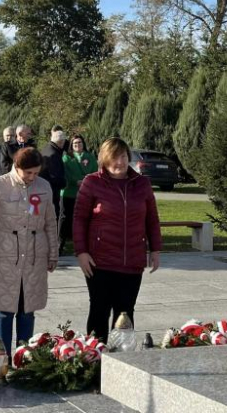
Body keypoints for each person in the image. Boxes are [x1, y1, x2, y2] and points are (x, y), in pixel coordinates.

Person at [73, 137, 162, 343]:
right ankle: (95, 361)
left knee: (125, 313)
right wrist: (81, 252)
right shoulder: (92, 182)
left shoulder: (142, 184)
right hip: (99, 262)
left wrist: (155, 249)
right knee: (99, 311)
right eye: (113, 157)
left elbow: (152, 219)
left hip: (132, 261)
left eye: (122, 157)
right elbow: (79, 219)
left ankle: (122, 363)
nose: (119, 162)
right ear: (104, 159)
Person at [0, 147, 58, 362]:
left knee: (27, 308)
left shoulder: (44, 187)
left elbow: (50, 221)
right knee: (5, 308)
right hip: (4, 255)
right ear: (17, 167)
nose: (32, 177)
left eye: (36, 173)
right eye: (28, 173)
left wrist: (53, 252)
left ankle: (24, 359)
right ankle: (1, 358)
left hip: (34, 255)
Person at [59, 134, 98, 255]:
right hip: (68, 193)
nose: (77, 145)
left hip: (84, 194)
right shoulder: (66, 158)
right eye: (75, 143)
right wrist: (74, 181)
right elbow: (65, 173)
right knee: (65, 220)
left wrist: (86, 181)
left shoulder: (90, 157)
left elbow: (95, 172)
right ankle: (60, 245)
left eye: (79, 143)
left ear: (83, 144)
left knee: (82, 220)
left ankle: (82, 247)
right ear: (71, 145)